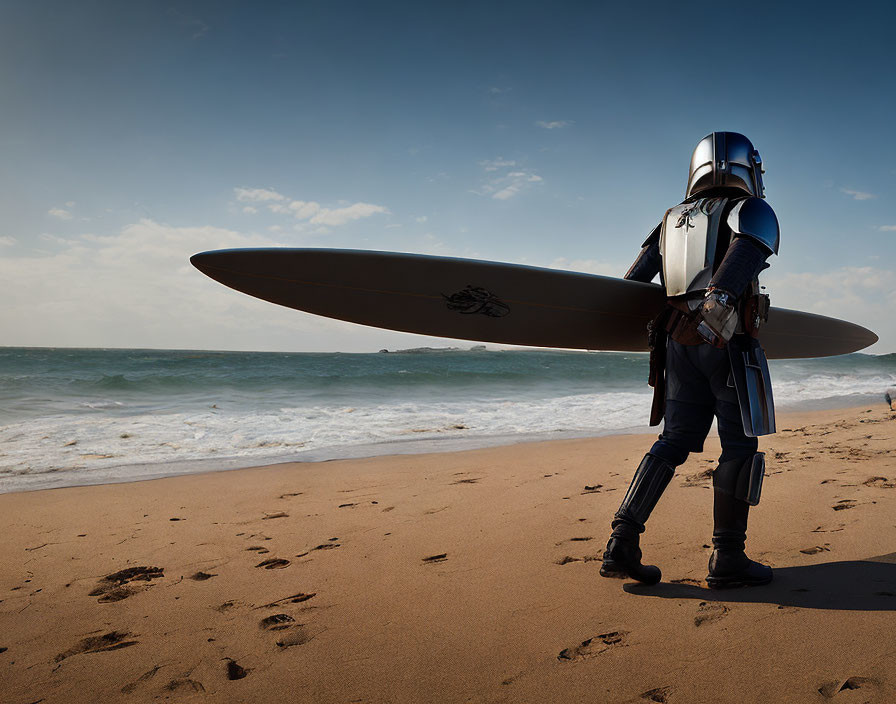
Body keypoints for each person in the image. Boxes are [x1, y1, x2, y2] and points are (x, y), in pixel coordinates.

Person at [600, 132, 779, 589]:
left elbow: (635, 284)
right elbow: (738, 265)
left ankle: (623, 538)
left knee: (674, 440)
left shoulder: (670, 220)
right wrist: (715, 316)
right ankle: (728, 558)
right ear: (749, 167)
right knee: (740, 448)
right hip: (727, 343)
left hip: (677, 347)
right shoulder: (752, 210)